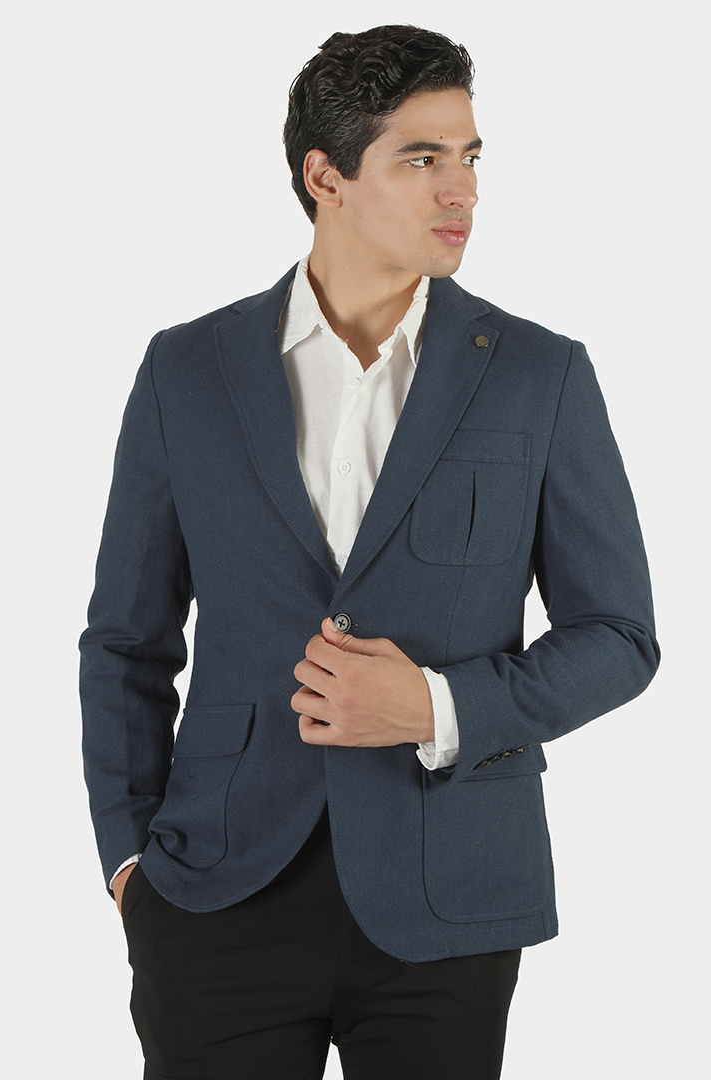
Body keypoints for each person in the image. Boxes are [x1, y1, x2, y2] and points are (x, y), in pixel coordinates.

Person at [80, 24, 659, 1080]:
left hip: (450, 898)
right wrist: (128, 857)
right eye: (421, 157)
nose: (462, 190)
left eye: (471, 156)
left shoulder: (540, 375)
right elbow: (126, 639)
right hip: (216, 890)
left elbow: (619, 637)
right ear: (326, 176)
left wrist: (437, 706)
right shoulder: (187, 370)